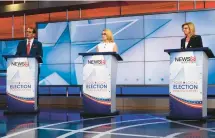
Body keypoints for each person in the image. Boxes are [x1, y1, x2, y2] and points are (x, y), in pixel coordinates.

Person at [15, 27, 43, 110]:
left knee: (34, 87)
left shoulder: (38, 44)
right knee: (22, 86)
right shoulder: (21, 43)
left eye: (30, 32)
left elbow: (40, 55)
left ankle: (35, 105)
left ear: (34, 34)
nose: (27, 33)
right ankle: (21, 104)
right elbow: (17, 54)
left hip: (33, 69)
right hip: (22, 68)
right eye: (26, 32)